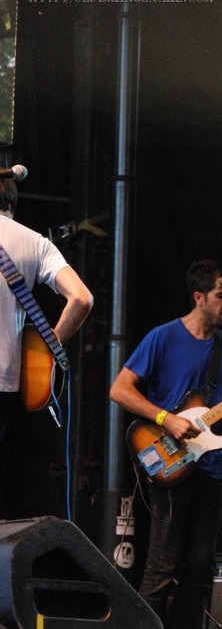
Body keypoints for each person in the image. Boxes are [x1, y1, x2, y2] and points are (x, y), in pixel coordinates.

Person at [109, 259, 222, 628]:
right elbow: (119, 390)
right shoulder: (163, 337)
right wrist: (166, 419)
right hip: (168, 461)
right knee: (162, 567)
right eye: (221, 296)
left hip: (211, 468)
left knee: (201, 568)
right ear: (199, 297)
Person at [0, 177, 93, 517]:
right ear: (12, 202)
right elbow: (82, 299)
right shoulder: (35, 243)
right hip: (6, 383)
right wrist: (48, 345)